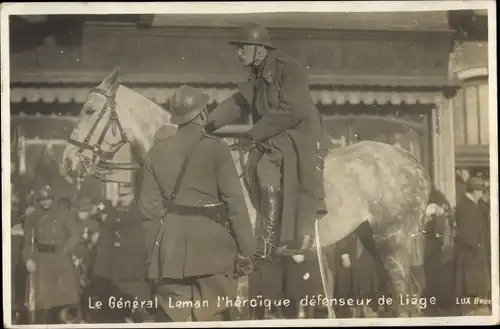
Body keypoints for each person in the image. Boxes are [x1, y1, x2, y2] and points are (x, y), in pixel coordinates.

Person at [204, 22, 328, 263]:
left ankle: (268, 240)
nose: (238, 53)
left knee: (264, 168)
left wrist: (254, 133)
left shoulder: (288, 67)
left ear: (259, 49)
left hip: (298, 133)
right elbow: (240, 102)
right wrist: (207, 125)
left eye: (242, 48)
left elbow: (294, 109)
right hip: (277, 133)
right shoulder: (258, 74)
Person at [138, 85, 256, 322]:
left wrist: (155, 253)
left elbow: (149, 212)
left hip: (170, 250)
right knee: (212, 315)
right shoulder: (217, 149)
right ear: (202, 114)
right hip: (213, 249)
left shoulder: (155, 154)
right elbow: (235, 204)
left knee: (174, 317)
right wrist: (247, 251)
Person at [22, 184, 81, 324]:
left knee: (62, 297)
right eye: (42, 199)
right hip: (41, 259)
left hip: (59, 258)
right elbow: (27, 242)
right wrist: (28, 259)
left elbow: (75, 234)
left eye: (48, 198)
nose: (45, 202)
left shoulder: (63, 213)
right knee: (42, 298)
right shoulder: (32, 217)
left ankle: (62, 320)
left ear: (53, 199)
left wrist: (66, 249)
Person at [89, 200, 152, 323]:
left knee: (121, 315)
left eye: (102, 215)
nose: (101, 219)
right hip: (137, 279)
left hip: (118, 282)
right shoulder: (133, 227)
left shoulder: (108, 231)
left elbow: (103, 260)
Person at [454, 176, 490, 315]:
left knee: (472, 287)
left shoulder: (469, 204)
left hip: (472, 253)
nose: (482, 194)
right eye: (481, 191)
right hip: (470, 254)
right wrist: (477, 245)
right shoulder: (467, 206)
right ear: (475, 190)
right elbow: (466, 232)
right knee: (470, 288)